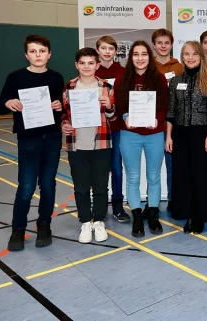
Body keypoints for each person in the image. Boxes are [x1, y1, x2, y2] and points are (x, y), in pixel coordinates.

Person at [0, 35, 64, 251]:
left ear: (49, 54)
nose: (38, 55)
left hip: (52, 138)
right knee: (25, 187)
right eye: (33, 51)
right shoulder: (15, 77)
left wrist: (58, 105)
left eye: (42, 51)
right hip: (28, 139)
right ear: (26, 54)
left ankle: (44, 224)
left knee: (48, 184)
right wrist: (8, 102)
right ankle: (18, 229)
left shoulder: (56, 78)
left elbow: (60, 106)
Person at [115, 40, 168, 238]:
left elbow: (164, 106)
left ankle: (152, 212)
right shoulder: (122, 79)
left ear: (149, 56)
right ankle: (137, 214)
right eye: (136, 54)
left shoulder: (159, 78)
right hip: (130, 134)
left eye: (143, 54)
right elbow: (120, 105)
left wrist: (158, 119)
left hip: (154, 134)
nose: (140, 58)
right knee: (133, 177)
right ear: (131, 57)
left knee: (154, 176)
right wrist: (125, 117)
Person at [61, 47, 115, 243]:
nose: (86, 67)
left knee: (100, 186)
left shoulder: (106, 87)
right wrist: (64, 125)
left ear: (97, 65)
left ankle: (99, 220)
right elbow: (64, 115)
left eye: (90, 63)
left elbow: (113, 116)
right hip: (77, 144)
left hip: (101, 143)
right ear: (76, 65)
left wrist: (109, 106)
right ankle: (85, 221)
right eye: (82, 63)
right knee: (81, 186)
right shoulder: (69, 87)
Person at [166, 41, 207, 234]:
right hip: (179, 134)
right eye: (186, 54)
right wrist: (169, 136)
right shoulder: (174, 81)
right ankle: (186, 214)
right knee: (182, 175)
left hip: (201, 133)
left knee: (201, 175)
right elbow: (171, 111)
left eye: (194, 54)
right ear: (182, 56)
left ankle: (199, 216)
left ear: (200, 56)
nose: (190, 57)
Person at [95, 35, 130, 223]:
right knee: (99, 168)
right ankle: (99, 206)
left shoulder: (123, 72)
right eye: (103, 48)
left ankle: (118, 206)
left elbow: (126, 100)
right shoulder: (91, 71)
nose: (107, 52)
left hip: (117, 127)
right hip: (96, 128)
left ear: (115, 52)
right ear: (98, 50)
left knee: (117, 167)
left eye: (111, 49)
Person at [152, 28, 183, 214]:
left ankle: (173, 198)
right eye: (159, 43)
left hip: (176, 124)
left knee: (173, 166)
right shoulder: (149, 67)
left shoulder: (179, 67)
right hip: (155, 124)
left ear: (171, 44)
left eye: (166, 43)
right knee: (154, 167)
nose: (163, 46)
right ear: (154, 45)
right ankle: (152, 203)